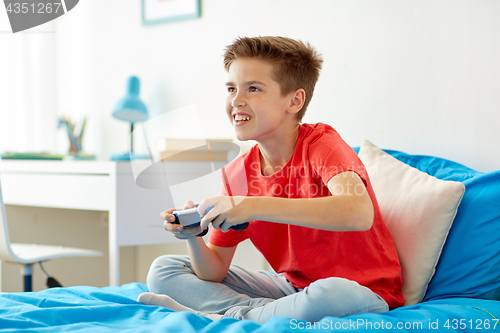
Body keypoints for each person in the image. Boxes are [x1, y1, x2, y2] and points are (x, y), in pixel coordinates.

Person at [137, 36, 404, 324]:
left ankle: (229, 314)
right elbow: (213, 272)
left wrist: (253, 206)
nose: (236, 100)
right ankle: (257, 314)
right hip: (290, 290)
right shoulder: (238, 174)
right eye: (231, 89)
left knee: (332, 293)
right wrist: (193, 237)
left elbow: (358, 213)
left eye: (253, 89)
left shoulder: (323, 145)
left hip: (362, 291)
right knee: (163, 270)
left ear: (294, 100)